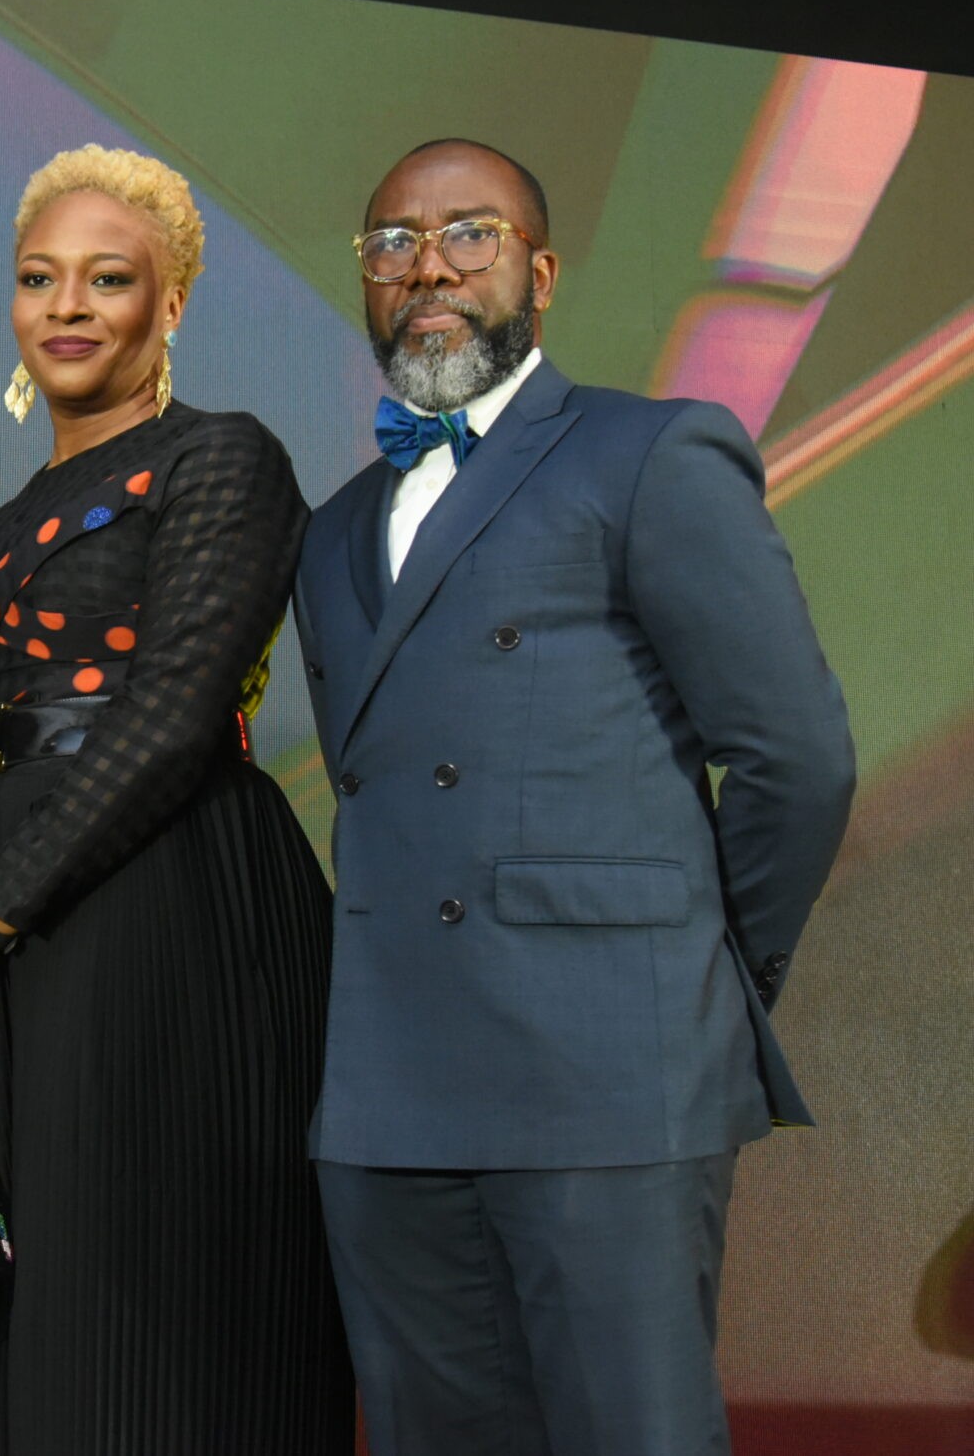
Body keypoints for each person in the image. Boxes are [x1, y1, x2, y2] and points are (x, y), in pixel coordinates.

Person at [292, 138, 856, 1456]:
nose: (425, 264)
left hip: (606, 1079)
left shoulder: (650, 453)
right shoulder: (327, 530)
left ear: (539, 273)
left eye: (468, 233)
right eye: (391, 243)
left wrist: (708, 988)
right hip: (388, 1103)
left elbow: (798, 758)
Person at [0, 145, 355, 1454]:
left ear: (174, 304)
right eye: (41, 277)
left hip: (168, 909)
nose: (69, 304)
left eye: (109, 277)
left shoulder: (222, 459)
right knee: (30, 1324)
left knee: (157, 1328)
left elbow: (179, 712)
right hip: (12, 934)